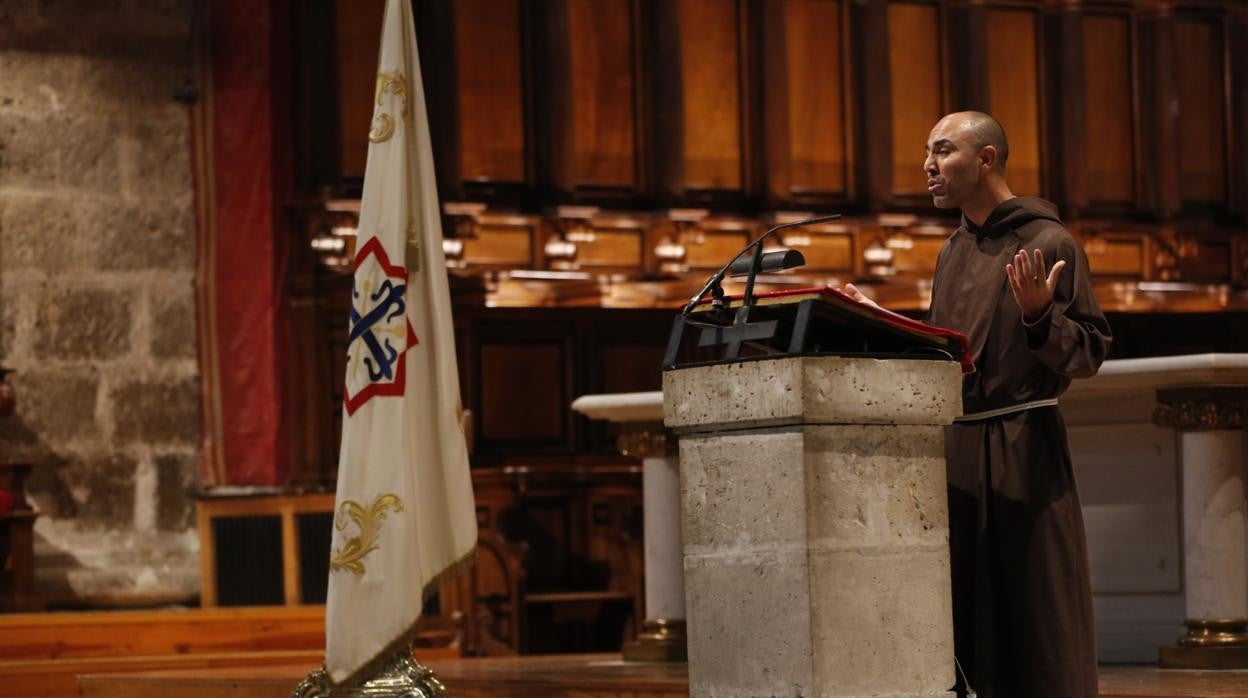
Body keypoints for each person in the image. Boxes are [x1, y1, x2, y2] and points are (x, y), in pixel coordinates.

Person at [846, 111, 1112, 697]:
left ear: (987, 158)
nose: (927, 166)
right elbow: (946, 352)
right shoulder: (951, 252)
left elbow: (1087, 355)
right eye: (927, 152)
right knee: (964, 612)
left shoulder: (1050, 240)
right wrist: (876, 322)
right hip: (957, 453)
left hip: (1022, 450)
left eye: (943, 151)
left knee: (1035, 608)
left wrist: (1042, 315)